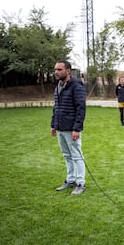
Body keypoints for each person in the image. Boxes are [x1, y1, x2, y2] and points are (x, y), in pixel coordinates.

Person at [51, 60, 87, 195]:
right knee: (67, 155)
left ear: (68, 71)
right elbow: (56, 107)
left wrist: (77, 129)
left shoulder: (76, 86)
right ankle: (70, 180)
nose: (56, 72)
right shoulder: (59, 86)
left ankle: (80, 183)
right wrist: (53, 125)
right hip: (60, 127)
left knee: (77, 156)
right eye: (55, 69)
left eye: (59, 69)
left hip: (71, 129)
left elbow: (81, 108)